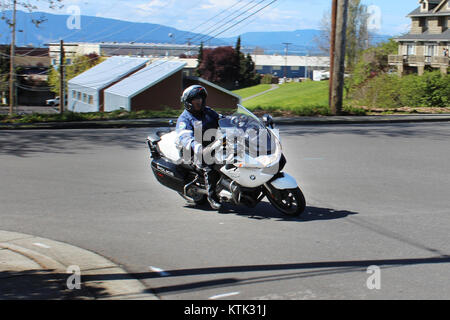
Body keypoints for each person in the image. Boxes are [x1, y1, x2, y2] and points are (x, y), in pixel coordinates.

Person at [176, 85, 222, 209]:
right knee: (209, 166)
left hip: (211, 147)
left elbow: (221, 119)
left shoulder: (208, 112)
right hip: (192, 152)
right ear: (188, 102)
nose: (199, 101)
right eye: (195, 99)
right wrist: (197, 147)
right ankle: (212, 197)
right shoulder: (184, 119)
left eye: (200, 98)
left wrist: (235, 122)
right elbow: (186, 137)